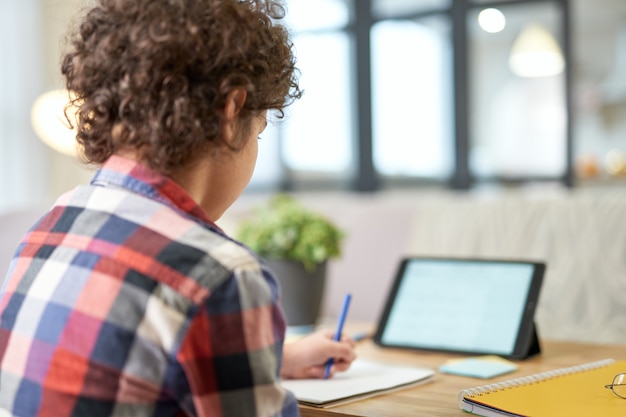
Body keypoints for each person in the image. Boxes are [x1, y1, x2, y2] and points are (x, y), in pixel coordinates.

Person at [0, 0, 356, 416]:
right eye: (258, 131)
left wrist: (274, 359)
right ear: (231, 111)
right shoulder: (218, 276)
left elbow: (112, 362)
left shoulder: (50, 230)